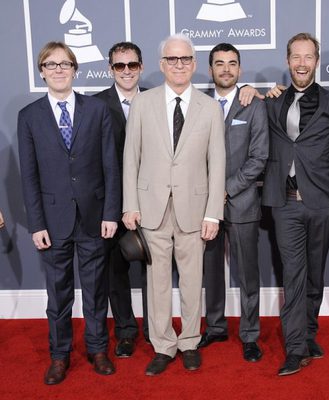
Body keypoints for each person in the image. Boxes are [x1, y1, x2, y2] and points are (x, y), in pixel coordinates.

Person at [122, 33, 225, 375]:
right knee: (158, 283)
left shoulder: (210, 108)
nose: (178, 65)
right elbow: (131, 158)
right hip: (151, 208)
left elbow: (217, 163)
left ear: (194, 65)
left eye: (185, 59)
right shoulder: (143, 103)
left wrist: (213, 212)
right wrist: (130, 204)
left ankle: (191, 341)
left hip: (194, 211)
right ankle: (163, 344)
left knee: (193, 281)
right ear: (162, 64)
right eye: (172, 59)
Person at [18, 42, 120, 385]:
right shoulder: (29, 116)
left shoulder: (97, 110)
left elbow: (110, 165)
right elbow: (29, 175)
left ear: (75, 70)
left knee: (95, 291)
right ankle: (59, 356)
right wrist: (36, 223)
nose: (59, 69)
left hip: (93, 217)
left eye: (65, 64)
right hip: (52, 220)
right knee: (57, 295)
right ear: (42, 71)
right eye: (51, 64)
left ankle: (97, 349)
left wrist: (111, 213)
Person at [262, 33, 329, 376]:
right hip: (285, 204)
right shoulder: (272, 103)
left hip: (323, 203)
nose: (301, 63)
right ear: (287, 60)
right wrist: (250, 91)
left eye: (308, 57)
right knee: (294, 275)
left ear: (317, 60)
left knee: (315, 274)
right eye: (296, 57)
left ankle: (309, 332)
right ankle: (295, 348)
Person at [198, 43, 268, 363]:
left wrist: (225, 190)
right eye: (219, 63)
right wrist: (209, 195)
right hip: (205, 207)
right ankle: (214, 326)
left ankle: (250, 334)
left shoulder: (253, 103)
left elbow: (259, 157)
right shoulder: (197, 104)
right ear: (210, 69)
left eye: (232, 63)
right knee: (211, 270)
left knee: (247, 273)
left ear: (239, 70)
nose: (226, 69)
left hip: (241, 202)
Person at [95, 42, 149, 358]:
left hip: (154, 202)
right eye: (119, 66)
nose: (126, 71)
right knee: (116, 272)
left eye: (131, 65)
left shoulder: (159, 100)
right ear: (110, 69)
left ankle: (157, 331)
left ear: (141, 67)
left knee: (154, 271)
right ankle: (126, 331)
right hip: (112, 205)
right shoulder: (95, 105)